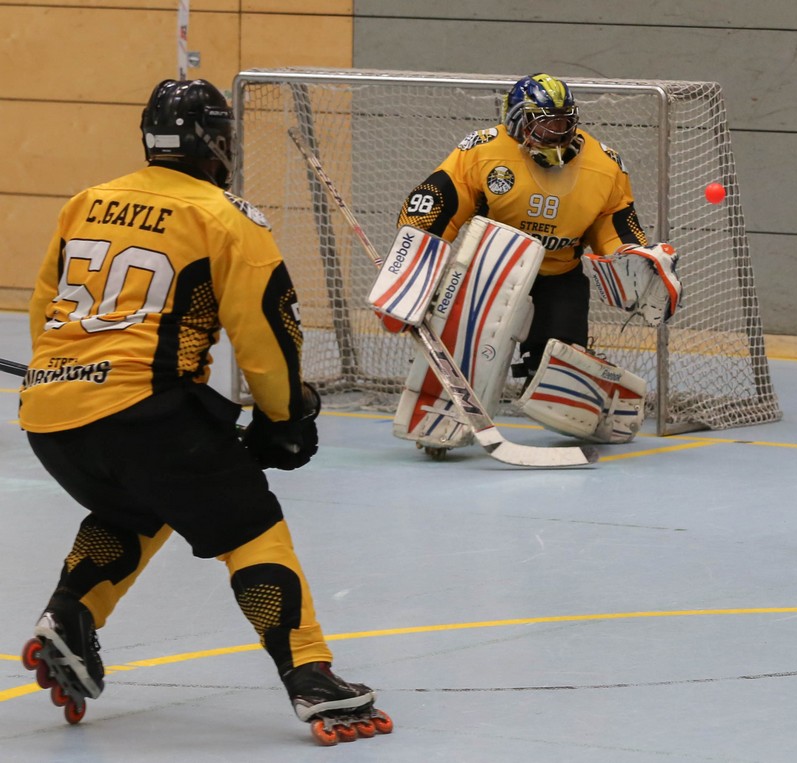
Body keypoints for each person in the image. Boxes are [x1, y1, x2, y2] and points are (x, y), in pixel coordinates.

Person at [17, 79, 391, 743]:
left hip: (50, 415)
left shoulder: (86, 202)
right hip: (145, 411)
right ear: (217, 144)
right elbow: (267, 333)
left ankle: (71, 615)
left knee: (139, 504)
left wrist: (66, 379)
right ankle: (310, 674)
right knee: (251, 526)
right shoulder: (226, 216)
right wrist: (285, 417)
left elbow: (45, 307)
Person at [396, 71, 657, 379]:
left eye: (563, 122)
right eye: (544, 123)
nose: (557, 132)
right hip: (491, 272)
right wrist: (415, 256)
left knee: (558, 369)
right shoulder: (483, 149)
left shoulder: (605, 165)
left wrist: (637, 260)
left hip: (558, 275)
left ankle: (545, 377)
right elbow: (441, 199)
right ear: (517, 121)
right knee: (464, 359)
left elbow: (616, 226)